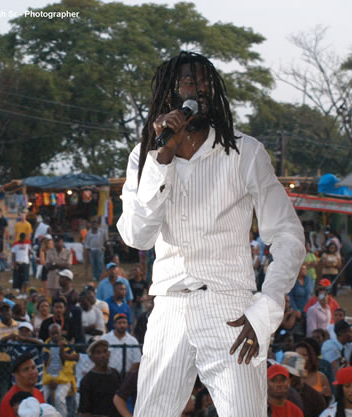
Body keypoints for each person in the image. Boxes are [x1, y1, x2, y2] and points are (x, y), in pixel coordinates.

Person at [116, 51, 305, 417]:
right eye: (189, 81)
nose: (199, 89)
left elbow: (288, 235)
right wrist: (162, 162)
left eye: (205, 82)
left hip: (230, 307)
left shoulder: (244, 152)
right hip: (168, 306)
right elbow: (137, 237)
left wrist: (265, 308)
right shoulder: (145, 156)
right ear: (171, 93)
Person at [41, 323, 79, 417]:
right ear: (49, 334)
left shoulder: (68, 346)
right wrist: (50, 379)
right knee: (41, 397)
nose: (55, 335)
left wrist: (58, 380)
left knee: (59, 397)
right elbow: (44, 366)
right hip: (48, 378)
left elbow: (70, 367)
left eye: (57, 333)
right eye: (52, 333)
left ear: (61, 333)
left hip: (64, 378)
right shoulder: (46, 346)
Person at [78, 339, 122, 417]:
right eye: (98, 353)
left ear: (109, 354)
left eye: (105, 351)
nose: (103, 355)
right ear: (92, 357)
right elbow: (85, 411)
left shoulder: (115, 373)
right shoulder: (87, 380)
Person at [0, 303, 20, 414]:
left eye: (8, 310)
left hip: (16, 363)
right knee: (0, 395)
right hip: (0, 364)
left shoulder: (19, 326)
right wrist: (9, 337)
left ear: (11, 312)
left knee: (16, 395)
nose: (6, 313)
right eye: (2, 311)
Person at [280, 352, 326, 417]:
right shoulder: (274, 393)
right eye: (282, 374)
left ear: (298, 376)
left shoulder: (315, 398)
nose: (285, 378)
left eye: (289, 375)